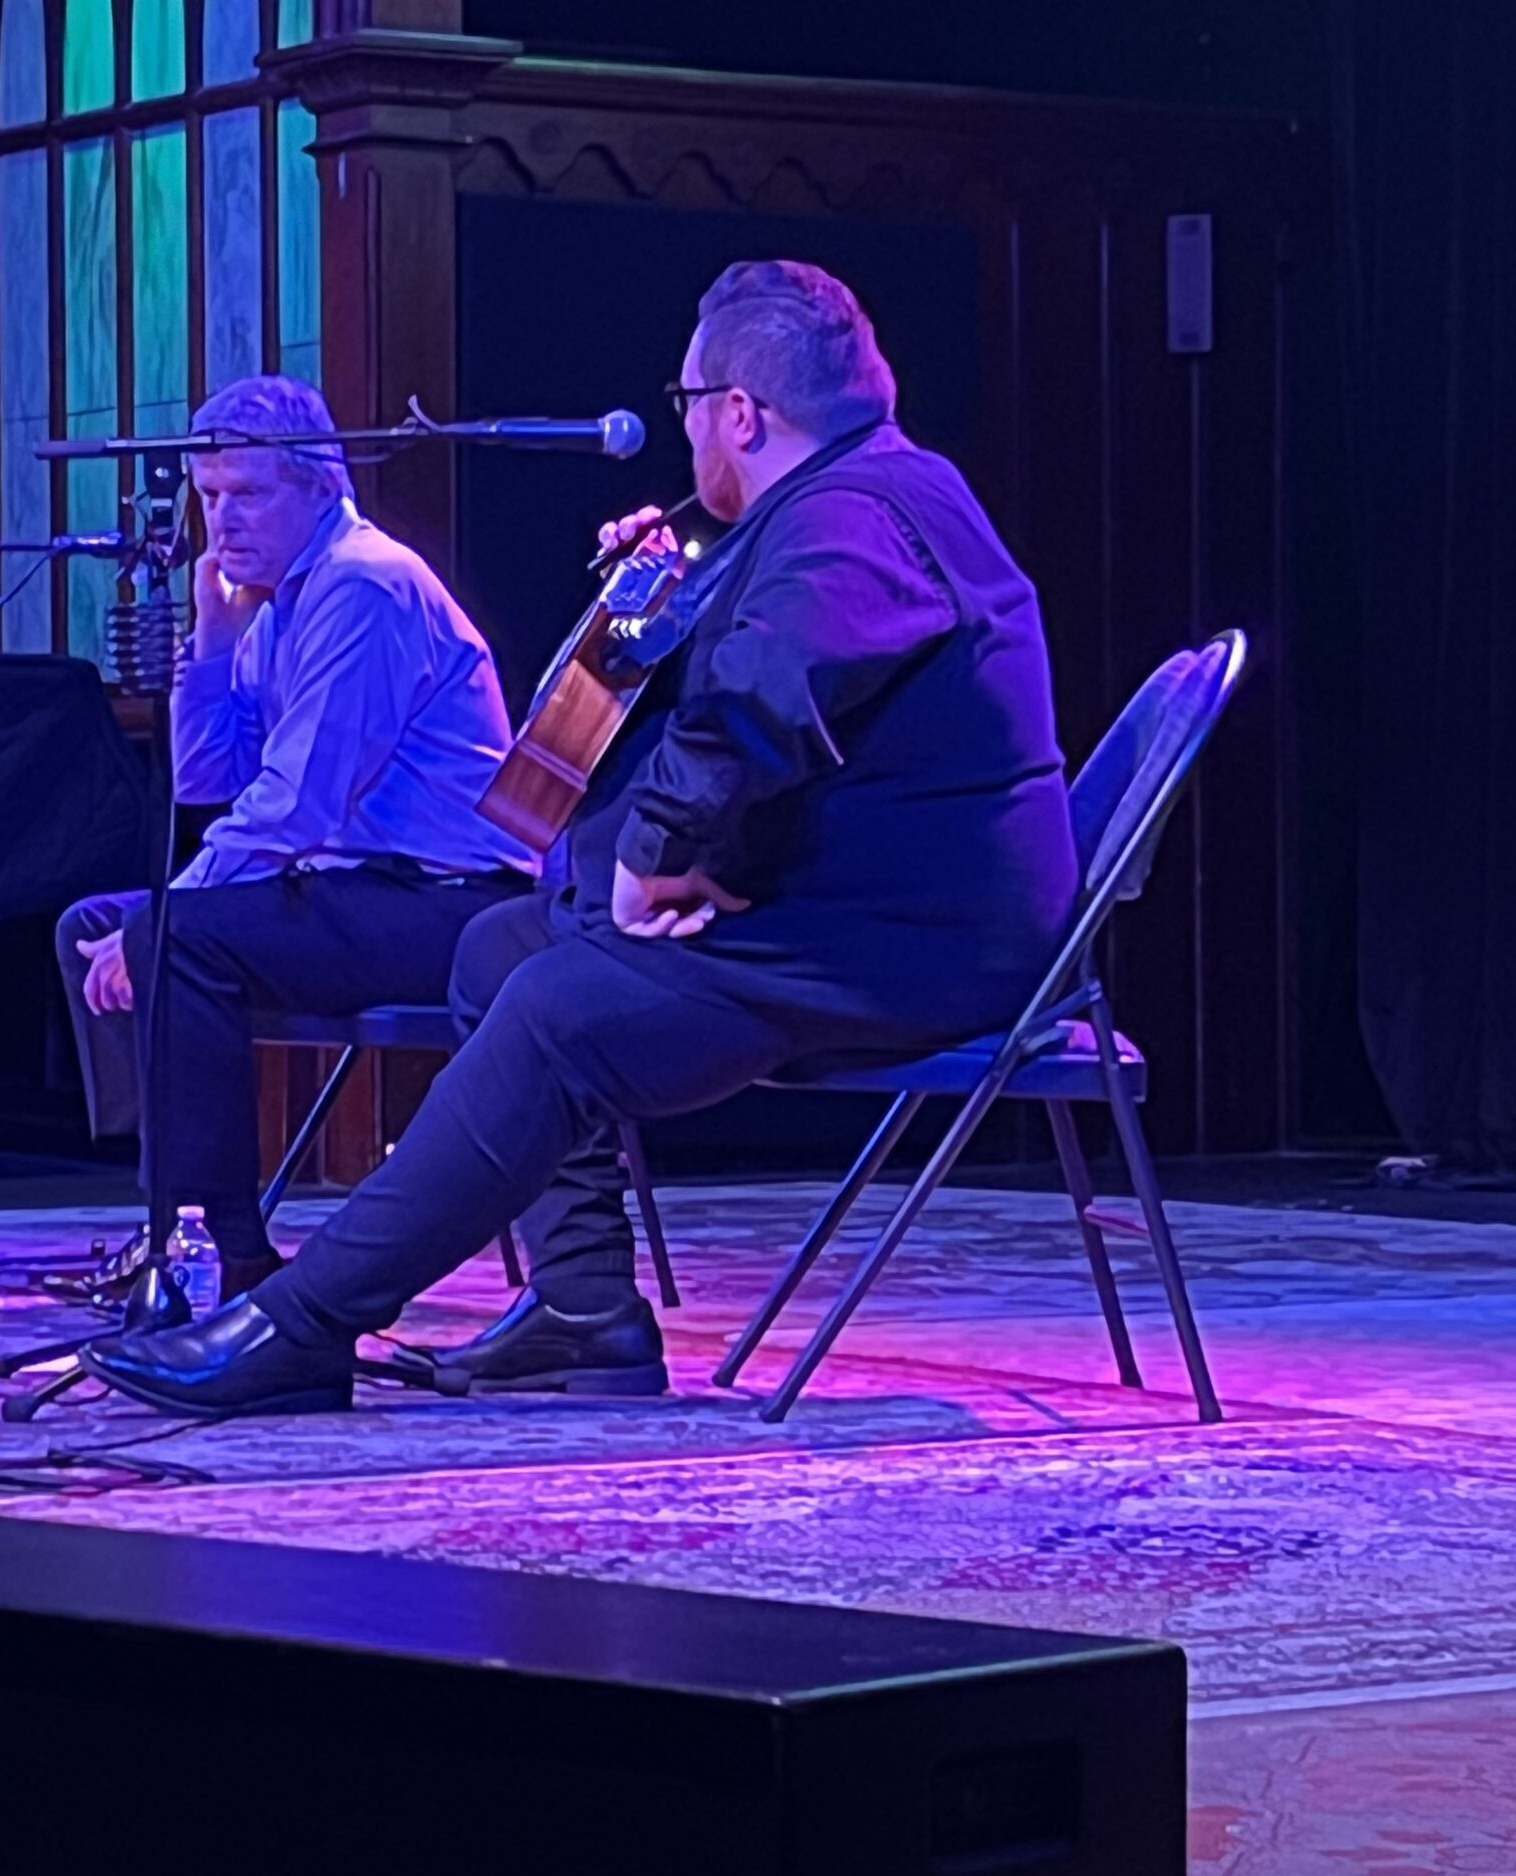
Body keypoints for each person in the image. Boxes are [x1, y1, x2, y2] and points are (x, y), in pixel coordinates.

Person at [84, 261, 1082, 1415]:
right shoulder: (831, 506)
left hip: (902, 945)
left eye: (687, 402)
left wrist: (652, 853)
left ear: (739, 414)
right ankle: (583, 1305)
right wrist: (659, 599)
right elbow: (627, 722)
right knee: (501, 949)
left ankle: (301, 1324)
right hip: (852, 911)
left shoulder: (856, 516)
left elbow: (760, 700)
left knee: (557, 1009)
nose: (685, 428)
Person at [55, 375, 536, 1300]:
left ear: (321, 482)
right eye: (209, 497)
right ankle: (168, 1218)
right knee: (94, 925)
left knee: (168, 935)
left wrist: (168, 916)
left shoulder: (364, 585)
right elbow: (209, 779)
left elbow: (294, 806)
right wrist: (213, 635)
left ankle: (230, 1249)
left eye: (247, 493)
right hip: (351, 885)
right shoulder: (275, 603)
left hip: (454, 901)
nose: (222, 520)